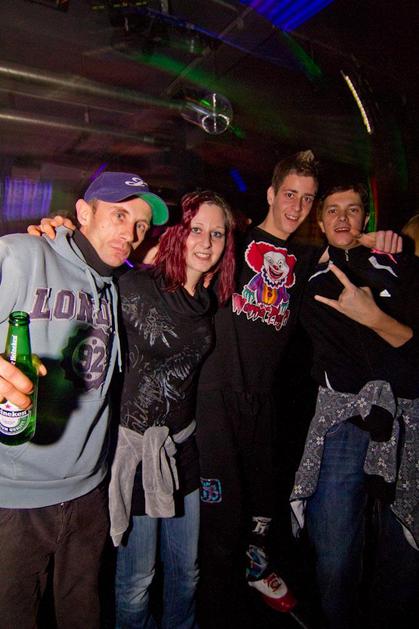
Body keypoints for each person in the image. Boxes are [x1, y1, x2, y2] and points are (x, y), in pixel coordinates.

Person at [0, 171, 169, 629]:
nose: (131, 233)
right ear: (83, 212)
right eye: (120, 215)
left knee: (83, 615)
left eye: (140, 224)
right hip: (16, 497)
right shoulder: (22, 254)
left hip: (89, 491)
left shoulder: (111, 284)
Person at [290, 180, 419, 629]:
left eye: (352, 209)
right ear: (320, 220)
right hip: (341, 419)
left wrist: (375, 318)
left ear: (366, 217)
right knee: (333, 554)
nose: (342, 218)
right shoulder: (306, 272)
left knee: (403, 550)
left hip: (404, 417)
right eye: (332, 210)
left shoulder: (400, 265)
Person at [107, 190, 236, 628]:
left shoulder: (208, 301)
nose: (206, 241)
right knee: (137, 582)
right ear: (178, 233)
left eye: (216, 233)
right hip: (137, 454)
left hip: (183, 452)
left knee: (186, 575)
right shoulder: (134, 287)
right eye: (196, 229)